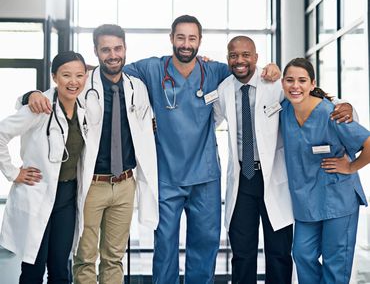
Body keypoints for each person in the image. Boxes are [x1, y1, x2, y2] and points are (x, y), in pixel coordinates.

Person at [122, 16, 281, 283]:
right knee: (165, 248)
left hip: (205, 177)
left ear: (200, 41)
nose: (186, 44)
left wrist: (272, 69)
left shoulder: (215, 72)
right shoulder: (152, 69)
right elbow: (112, 70)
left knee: (205, 246)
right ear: (171, 38)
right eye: (181, 37)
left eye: (192, 38)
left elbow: (246, 68)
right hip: (167, 176)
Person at [213, 36, 354, 284]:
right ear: (228, 59)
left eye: (246, 54)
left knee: (279, 253)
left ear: (256, 57)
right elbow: (208, 120)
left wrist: (345, 104)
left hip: (274, 180)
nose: (240, 60)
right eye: (234, 55)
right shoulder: (224, 90)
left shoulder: (275, 84)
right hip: (242, 182)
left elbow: (309, 96)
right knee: (242, 253)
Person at [24, 24, 158, 284]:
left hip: (125, 184)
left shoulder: (137, 87)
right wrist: (31, 94)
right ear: (96, 52)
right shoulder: (83, 85)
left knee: (114, 258)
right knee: (85, 257)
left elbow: (145, 127)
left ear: (125, 49)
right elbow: (44, 98)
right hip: (92, 184)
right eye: (105, 49)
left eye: (117, 48)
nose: (112, 54)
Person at [0, 51, 92, 283]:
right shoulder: (40, 107)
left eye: (79, 75)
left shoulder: (85, 108)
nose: (73, 81)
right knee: (33, 269)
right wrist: (13, 173)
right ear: (54, 77)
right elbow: (1, 132)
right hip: (37, 195)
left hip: (67, 197)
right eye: (66, 75)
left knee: (60, 269)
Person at [280, 57, 370, 284]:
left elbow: (368, 144)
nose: (295, 86)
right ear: (282, 83)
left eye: (302, 80)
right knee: (302, 254)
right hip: (306, 202)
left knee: (335, 263)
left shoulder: (332, 114)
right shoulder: (284, 112)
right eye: (289, 80)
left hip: (338, 200)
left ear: (312, 84)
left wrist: (351, 166)